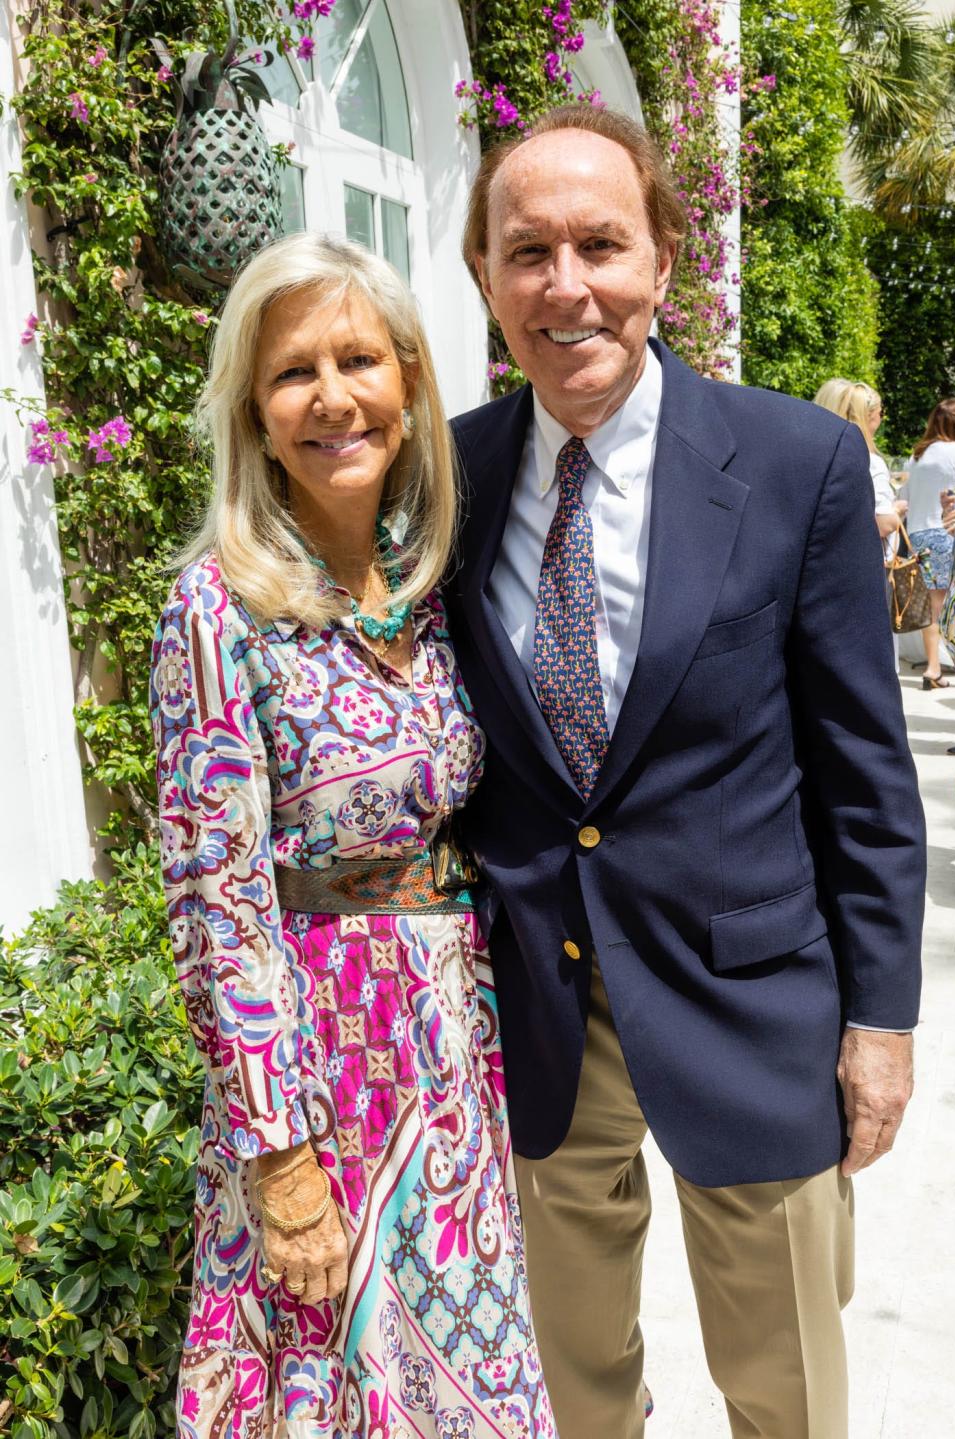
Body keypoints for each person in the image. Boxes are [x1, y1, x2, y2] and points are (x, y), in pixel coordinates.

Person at [445, 104, 925, 1439]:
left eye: (600, 242)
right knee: (573, 1378)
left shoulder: (796, 464)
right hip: (542, 999)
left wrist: (880, 1020)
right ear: (487, 277)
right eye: (527, 250)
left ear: (663, 259)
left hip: (750, 1002)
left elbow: (864, 771)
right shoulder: (455, 472)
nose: (566, 283)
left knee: (788, 1385)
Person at [150, 233, 554, 1437]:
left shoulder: (426, 585)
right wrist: (282, 1163)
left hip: (452, 1062)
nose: (334, 398)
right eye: (293, 374)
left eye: (360, 359)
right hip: (322, 1080)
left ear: (413, 383)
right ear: (256, 415)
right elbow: (216, 900)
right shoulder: (216, 606)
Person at [900, 398, 955, 688]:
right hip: (946, 533)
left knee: (931, 606)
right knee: (950, 604)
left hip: (917, 535)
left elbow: (905, 498)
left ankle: (933, 667)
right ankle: (937, 667)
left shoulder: (917, 456)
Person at [812, 379, 907, 556]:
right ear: (868, 416)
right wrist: (896, 511)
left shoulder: (810, 458)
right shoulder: (870, 462)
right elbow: (883, 523)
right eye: (881, 413)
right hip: (862, 565)